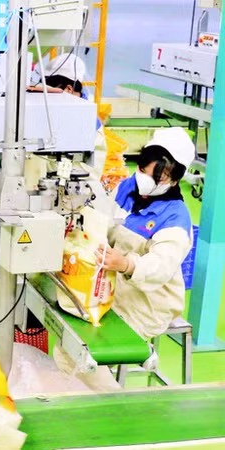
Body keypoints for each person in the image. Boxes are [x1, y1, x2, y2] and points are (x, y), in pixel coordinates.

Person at [54, 127, 195, 391]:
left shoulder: (175, 220)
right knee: (66, 339)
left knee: (83, 349)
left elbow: (161, 267)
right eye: (143, 169)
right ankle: (77, 399)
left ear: (174, 179)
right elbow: (106, 222)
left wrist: (127, 264)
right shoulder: (128, 188)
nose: (145, 178)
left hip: (148, 302)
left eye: (157, 176)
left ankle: (114, 404)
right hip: (113, 285)